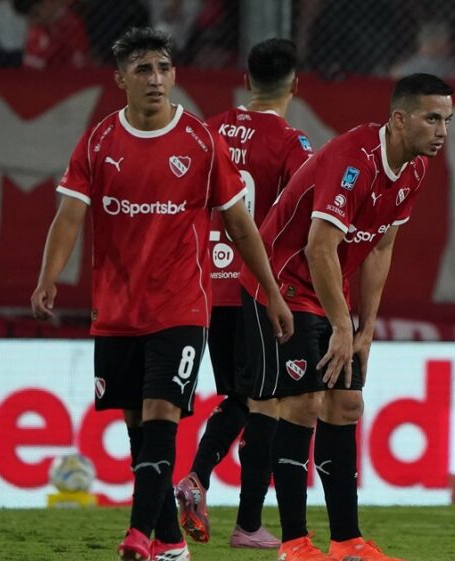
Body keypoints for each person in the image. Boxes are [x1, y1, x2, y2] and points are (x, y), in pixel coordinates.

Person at [29, 27, 293, 561]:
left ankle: (137, 535)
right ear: (120, 79)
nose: (156, 79)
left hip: (181, 306)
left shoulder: (200, 140)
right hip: (117, 308)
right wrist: (47, 276)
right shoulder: (99, 141)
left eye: (164, 68)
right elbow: (70, 215)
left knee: (160, 413)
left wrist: (272, 290)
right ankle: (171, 543)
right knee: (137, 427)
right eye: (144, 69)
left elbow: (241, 225)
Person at [240, 73, 453, 561]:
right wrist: (341, 325)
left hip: (327, 290)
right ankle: (294, 543)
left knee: (347, 406)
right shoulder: (353, 160)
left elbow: (380, 247)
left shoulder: (415, 168)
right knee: (303, 404)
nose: (442, 130)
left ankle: (346, 541)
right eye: (432, 118)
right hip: (282, 283)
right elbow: (319, 247)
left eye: (447, 120)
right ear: (399, 119)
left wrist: (365, 328)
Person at [173, 37, 314, 550]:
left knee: (241, 395)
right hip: (259, 288)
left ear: (247, 80)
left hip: (207, 285)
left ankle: (205, 486)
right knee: (267, 401)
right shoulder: (294, 145)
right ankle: (242, 518)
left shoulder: (207, 130)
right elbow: (307, 215)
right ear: (295, 85)